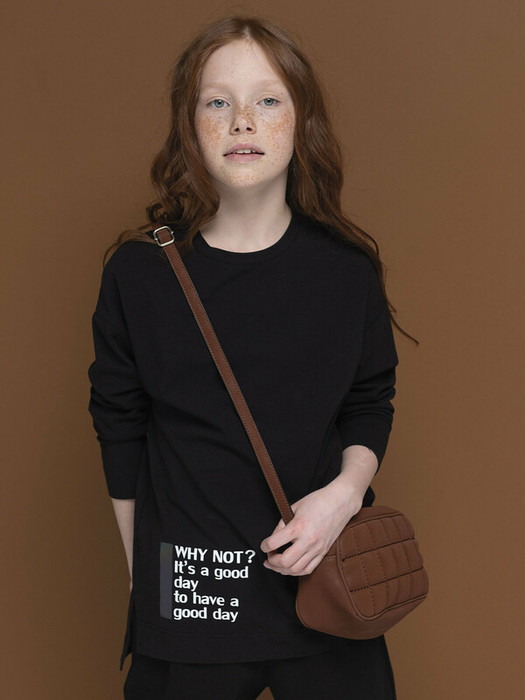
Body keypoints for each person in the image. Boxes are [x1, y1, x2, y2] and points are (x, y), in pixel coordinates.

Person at [88, 14, 413, 700]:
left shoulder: (346, 270)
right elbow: (118, 425)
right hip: (193, 595)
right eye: (217, 102)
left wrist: (342, 498)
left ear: (300, 122)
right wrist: (143, 576)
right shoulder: (139, 274)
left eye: (267, 99)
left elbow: (368, 400)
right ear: (190, 125)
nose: (242, 121)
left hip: (324, 586)